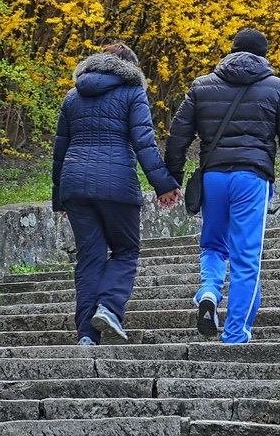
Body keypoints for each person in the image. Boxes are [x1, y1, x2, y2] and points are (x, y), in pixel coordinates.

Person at [164, 28, 280, 343]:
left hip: (213, 177)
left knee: (214, 244)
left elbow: (177, 137)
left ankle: (209, 291)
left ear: (231, 52)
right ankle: (235, 333)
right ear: (263, 56)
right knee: (246, 257)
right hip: (251, 179)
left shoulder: (202, 86)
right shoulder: (277, 88)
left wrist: (170, 181)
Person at [52, 41, 181, 346]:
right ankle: (109, 307)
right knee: (125, 250)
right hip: (116, 184)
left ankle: (87, 335)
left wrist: (60, 198)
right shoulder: (132, 91)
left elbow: (59, 151)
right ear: (130, 67)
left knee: (90, 259)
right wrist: (163, 184)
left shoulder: (72, 95)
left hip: (75, 184)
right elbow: (144, 142)